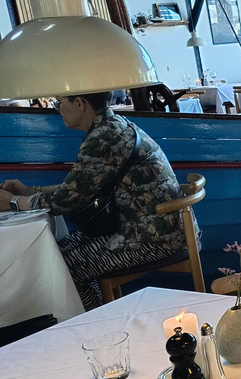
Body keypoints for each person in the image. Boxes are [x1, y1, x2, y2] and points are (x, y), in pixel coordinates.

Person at [0, 92, 189, 309]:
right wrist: (30, 192)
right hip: (148, 227)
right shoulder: (113, 125)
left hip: (152, 238)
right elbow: (78, 187)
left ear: (80, 104)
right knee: (59, 249)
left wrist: (14, 202)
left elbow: (65, 201)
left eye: (59, 103)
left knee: (62, 267)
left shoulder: (103, 138)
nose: (58, 109)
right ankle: (99, 311)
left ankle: (96, 320)